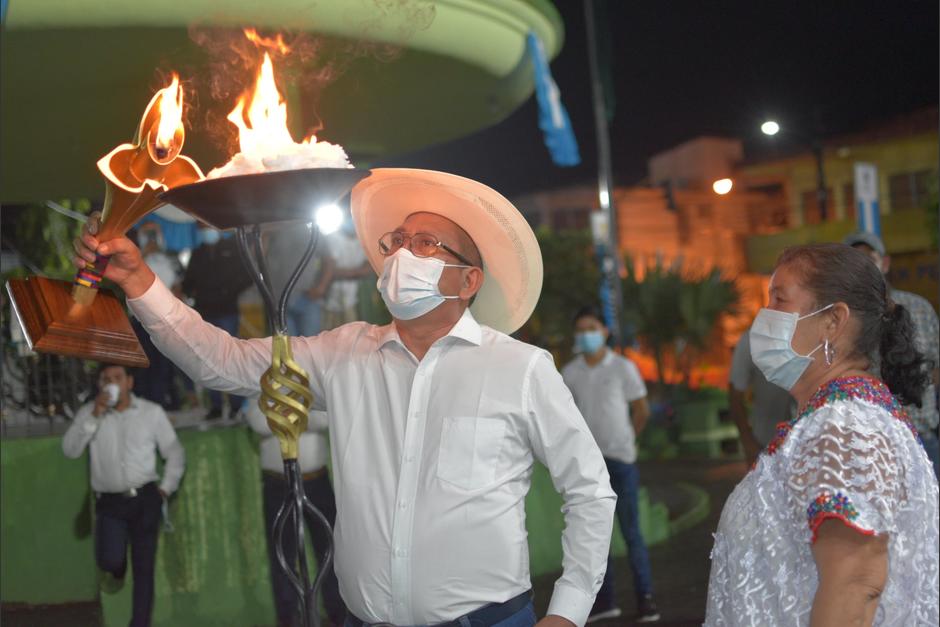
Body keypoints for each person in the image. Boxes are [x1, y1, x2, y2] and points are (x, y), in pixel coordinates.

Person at [74, 168, 617, 627]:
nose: (401, 253)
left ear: (468, 280)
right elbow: (221, 361)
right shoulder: (346, 352)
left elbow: (589, 489)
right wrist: (139, 280)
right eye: (397, 241)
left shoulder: (520, 368)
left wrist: (567, 613)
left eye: (424, 244)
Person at [705, 243, 939, 626]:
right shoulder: (836, 417)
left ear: (832, 321)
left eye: (779, 299)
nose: (765, 316)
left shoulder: (845, 427)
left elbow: (856, 583)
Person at [62, 363, 186, 627]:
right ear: (99, 385)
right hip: (109, 502)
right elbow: (70, 450)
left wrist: (166, 488)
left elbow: (174, 452)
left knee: (144, 570)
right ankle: (116, 570)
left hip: (145, 498)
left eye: (117, 378)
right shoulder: (89, 412)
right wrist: (94, 416)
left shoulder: (151, 412)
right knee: (110, 559)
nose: (111, 383)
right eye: (105, 379)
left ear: (129, 382)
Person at [561, 306, 660, 624]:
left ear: (604, 331)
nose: (586, 334)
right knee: (594, 535)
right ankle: (604, 602)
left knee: (631, 532)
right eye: (580, 329)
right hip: (589, 466)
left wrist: (629, 440)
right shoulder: (570, 373)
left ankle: (646, 599)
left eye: (591, 328)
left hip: (621, 461)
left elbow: (641, 409)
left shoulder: (622, 367)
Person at [844, 231, 940, 478]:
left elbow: (937, 366)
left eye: (870, 259)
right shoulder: (843, 318)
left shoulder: (919, 307)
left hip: (922, 436)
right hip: (871, 444)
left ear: (884, 263)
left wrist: (916, 383)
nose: (864, 268)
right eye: (855, 263)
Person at [244, 397, 346, 627]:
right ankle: (289, 618)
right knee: (282, 554)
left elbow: (324, 419)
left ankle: (338, 614)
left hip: (317, 480)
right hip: (277, 484)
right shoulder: (260, 385)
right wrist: (300, 410)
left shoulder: (311, 383)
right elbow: (257, 423)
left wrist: (280, 411)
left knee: (329, 549)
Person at [180, 225, 253, 419]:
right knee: (209, 358)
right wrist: (192, 294)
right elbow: (188, 283)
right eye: (201, 227)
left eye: (207, 226)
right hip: (205, 313)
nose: (206, 230)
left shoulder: (232, 249)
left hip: (227, 311)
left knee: (231, 358)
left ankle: (237, 405)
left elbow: (248, 276)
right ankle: (216, 405)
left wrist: (229, 292)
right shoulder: (198, 253)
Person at [727, 327, 797, 466]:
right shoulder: (752, 340)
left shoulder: (810, 335)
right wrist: (749, 444)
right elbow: (735, 395)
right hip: (764, 441)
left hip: (804, 440)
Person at [266, 223, 335, 337]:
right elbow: (258, 256)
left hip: (307, 298)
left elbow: (329, 261)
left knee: (310, 344)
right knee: (286, 346)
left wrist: (321, 288)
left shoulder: (312, 230)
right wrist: (265, 234)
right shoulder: (273, 230)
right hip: (278, 302)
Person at [320, 215, 373, 329]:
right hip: (329, 296)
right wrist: (356, 272)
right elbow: (329, 269)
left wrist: (340, 273)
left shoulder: (364, 241)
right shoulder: (332, 238)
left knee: (352, 331)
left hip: (354, 297)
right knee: (329, 332)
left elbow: (368, 269)